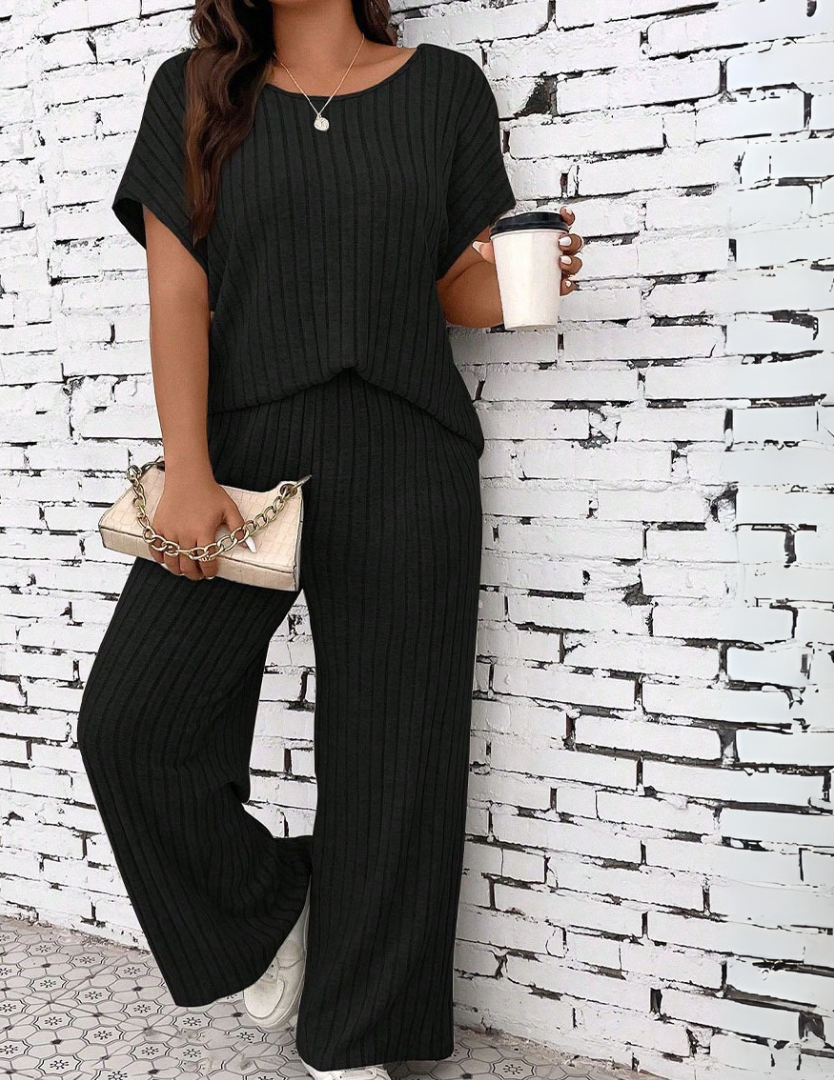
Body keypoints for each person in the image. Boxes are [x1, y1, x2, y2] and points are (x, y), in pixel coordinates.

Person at [75, 3, 584, 1078]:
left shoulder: (442, 88)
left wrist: (517, 282)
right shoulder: (194, 90)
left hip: (406, 444)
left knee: (396, 759)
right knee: (133, 723)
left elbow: (450, 288)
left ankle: (359, 1040)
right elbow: (177, 291)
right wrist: (188, 468)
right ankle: (276, 913)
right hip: (241, 451)